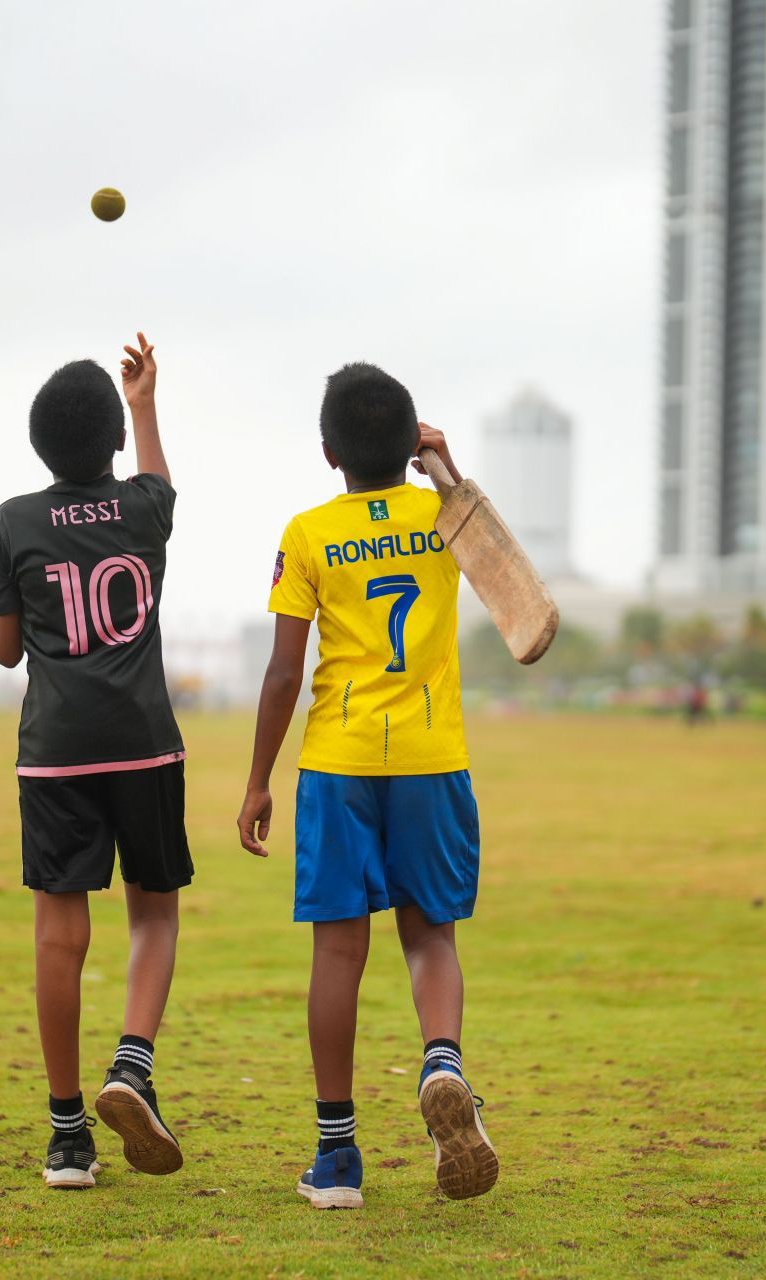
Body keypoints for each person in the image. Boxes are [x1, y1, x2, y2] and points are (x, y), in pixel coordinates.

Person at [237, 362, 498, 1211]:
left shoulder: (308, 534)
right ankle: (443, 1065)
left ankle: (337, 1159)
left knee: (338, 953)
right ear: (412, 440)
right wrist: (448, 473)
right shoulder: (442, 515)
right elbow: (511, 580)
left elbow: (283, 674)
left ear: (328, 453)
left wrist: (256, 782)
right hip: (432, 755)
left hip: (339, 762)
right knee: (431, 939)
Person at [0, 332, 191, 1191]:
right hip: (143, 741)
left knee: (58, 936)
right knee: (153, 916)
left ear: (39, 446)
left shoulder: (14, 520)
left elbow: (6, 654)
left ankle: (67, 1134)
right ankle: (133, 1065)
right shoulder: (144, 510)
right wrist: (145, 403)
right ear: (113, 441)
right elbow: (160, 482)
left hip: (57, 753)